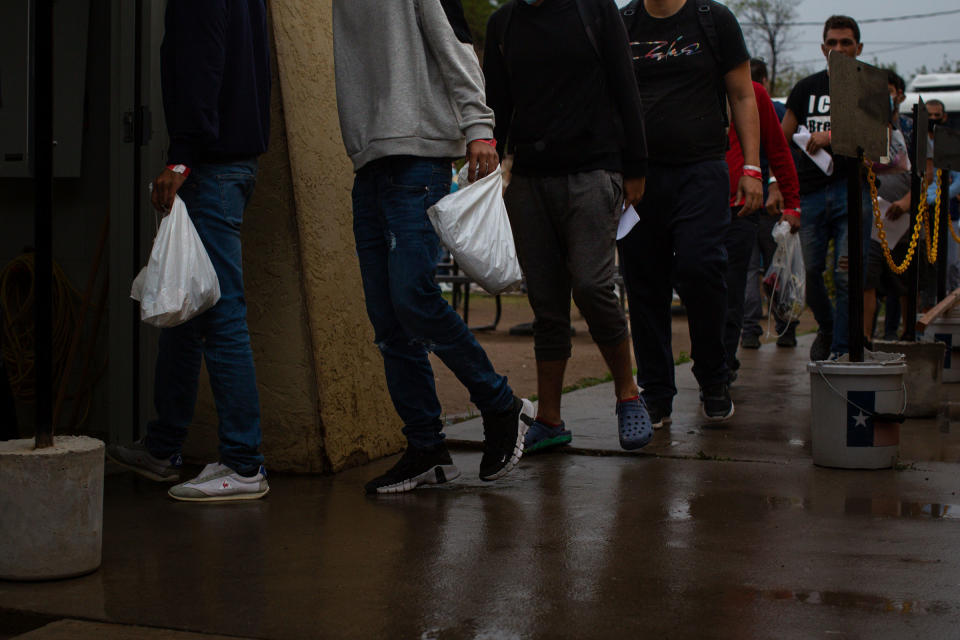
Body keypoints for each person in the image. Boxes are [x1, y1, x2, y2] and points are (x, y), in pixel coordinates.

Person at [332, 0, 534, 494]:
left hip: (419, 159)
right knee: (387, 321)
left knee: (412, 297)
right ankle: (427, 448)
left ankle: (500, 404)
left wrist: (479, 126)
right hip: (370, 162)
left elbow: (456, 43)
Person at [107, 0, 271, 502]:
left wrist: (182, 157)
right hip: (229, 162)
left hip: (210, 167)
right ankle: (162, 449)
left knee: (221, 314)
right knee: (186, 310)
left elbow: (204, 61)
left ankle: (244, 465)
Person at [482, 0, 651, 452]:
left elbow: (624, 84)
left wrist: (636, 166)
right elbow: (496, 102)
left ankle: (628, 394)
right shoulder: (505, 23)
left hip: (594, 170)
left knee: (594, 286)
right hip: (529, 179)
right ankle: (551, 419)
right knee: (546, 301)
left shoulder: (593, 10)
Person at [619, 0, 762, 427]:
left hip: (701, 169)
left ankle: (714, 377)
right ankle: (657, 392)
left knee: (702, 267)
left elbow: (741, 94)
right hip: (639, 176)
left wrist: (752, 168)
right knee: (644, 283)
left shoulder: (712, 20)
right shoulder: (622, 23)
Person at [781, 15, 864, 361]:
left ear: (858, 48)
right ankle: (828, 328)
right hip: (811, 193)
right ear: (822, 48)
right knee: (810, 272)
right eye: (832, 43)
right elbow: (782, 139)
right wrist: (777, 185)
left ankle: (843, 350)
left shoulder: (867, 85)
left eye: (846, 43)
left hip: (851, 190)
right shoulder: (805, 88)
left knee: (846, 274)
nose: (839, 49)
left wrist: (830, 136)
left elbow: (881, 139)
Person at [722, 78, 800, 381]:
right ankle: (717, 358)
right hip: (694, 207)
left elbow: (778, 148)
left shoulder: (754, 94)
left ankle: (724, 362)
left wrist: (792, 203)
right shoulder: (688, 83)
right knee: (702, 283)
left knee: (736, 282)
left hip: (742, 207)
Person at [739, 58, 801, 351]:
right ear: (764, 82)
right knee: (778, 267)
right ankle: (785, 325)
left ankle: (749, 329)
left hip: (741, 197)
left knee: (748, 269)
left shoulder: (731, 102)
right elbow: (784, 151)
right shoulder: (776, 109)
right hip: (769, 202)